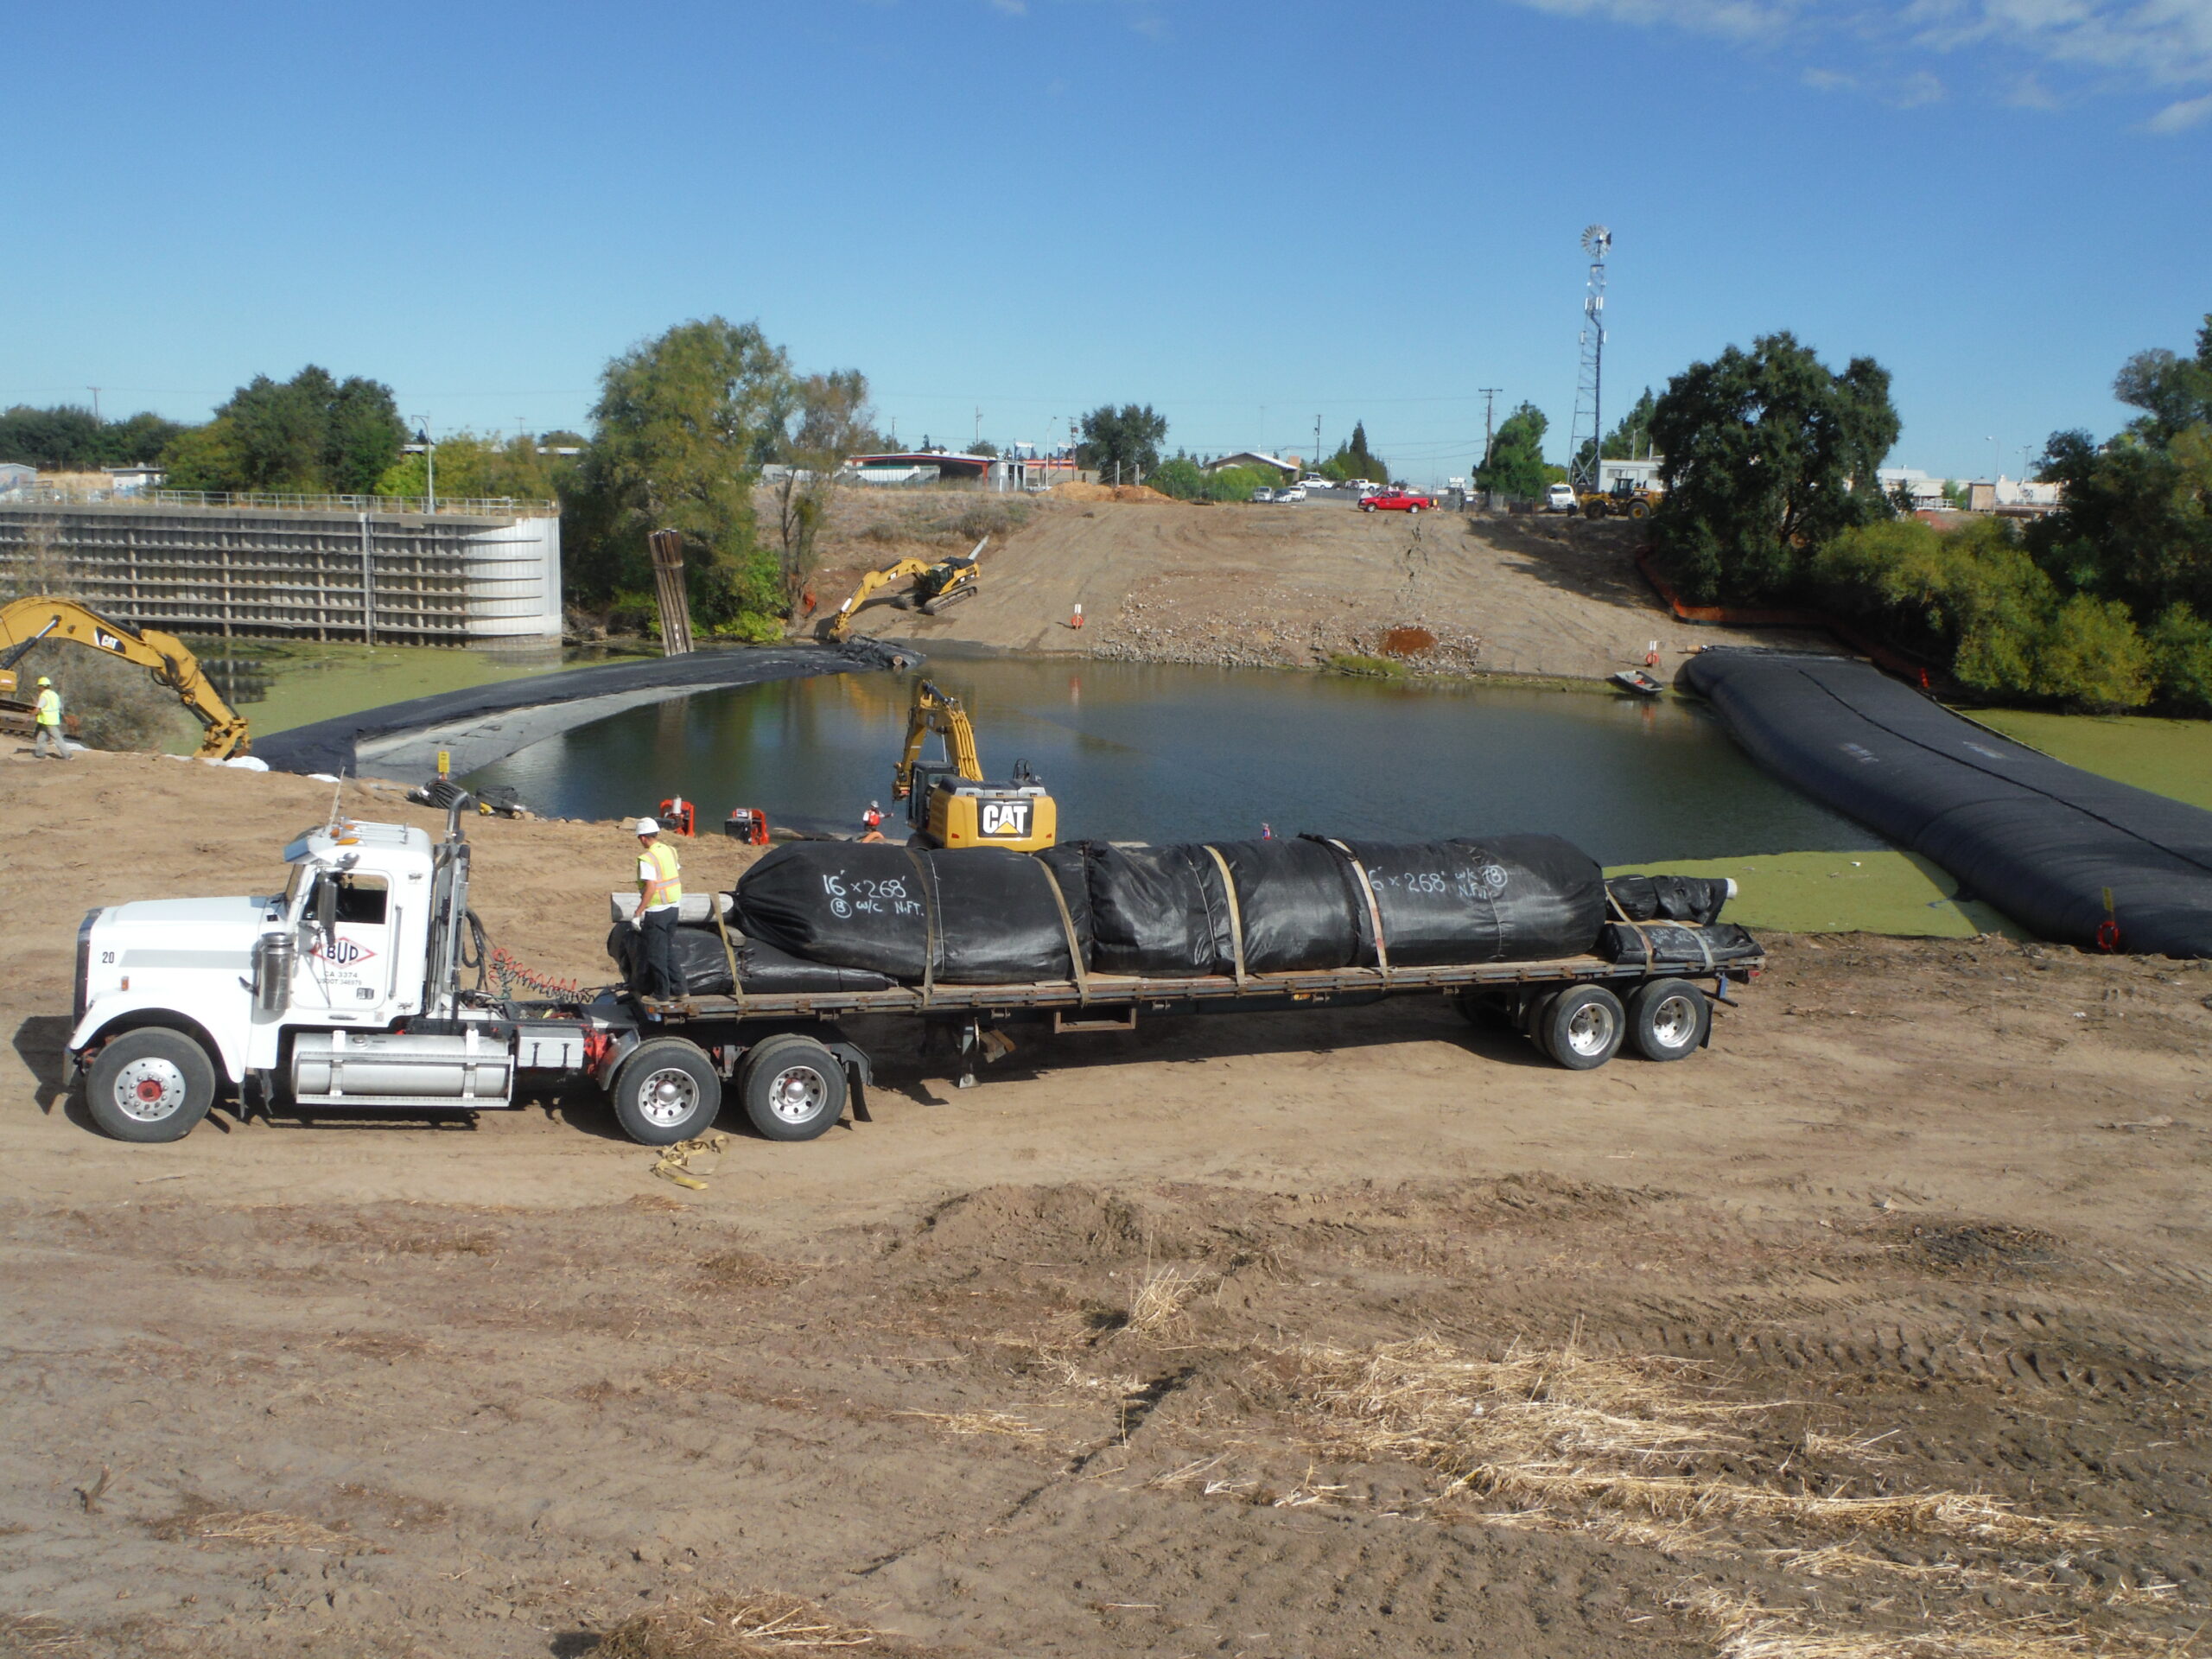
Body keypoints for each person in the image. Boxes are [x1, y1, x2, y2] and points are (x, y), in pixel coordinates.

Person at [629, 817, 683, 1004]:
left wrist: (638, 912)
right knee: (668, 950)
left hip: (657, 910)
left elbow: (651, 887)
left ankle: (662, 994)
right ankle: (681, 990)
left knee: (656, 954)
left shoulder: (647, 858)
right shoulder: (669, 850)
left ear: (643, 838)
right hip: (673, 906)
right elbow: (673, 872)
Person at [31, 677, 66, 761]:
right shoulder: (54, 695)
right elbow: (59, 706)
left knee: (57, 738)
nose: (38, 688)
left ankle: (67, 755)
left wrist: (28, 717)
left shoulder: (44, 696)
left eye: (39, 686)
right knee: (41, 737)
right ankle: (40, 754)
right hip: (51, 720)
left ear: (42, 686)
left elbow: (38, 709)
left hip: (48, 721)